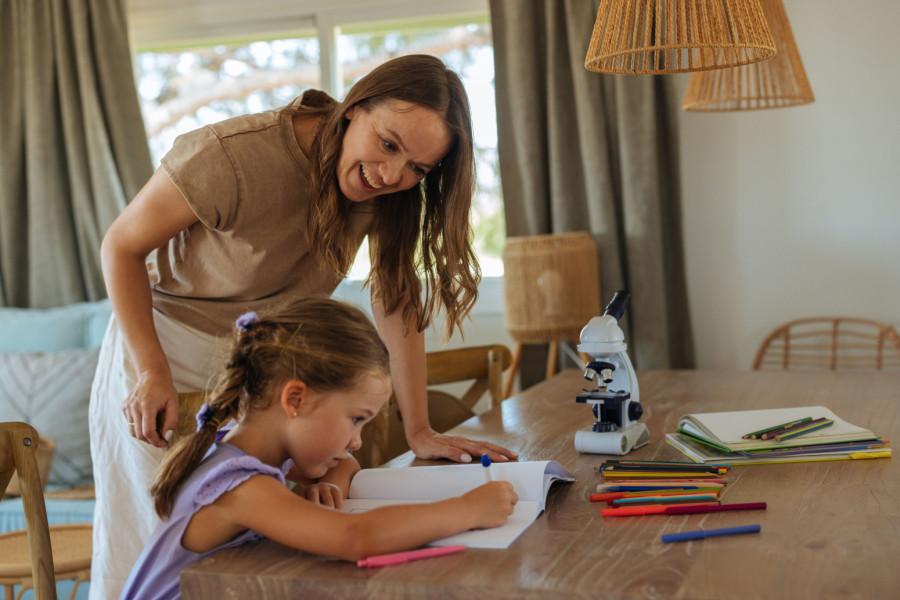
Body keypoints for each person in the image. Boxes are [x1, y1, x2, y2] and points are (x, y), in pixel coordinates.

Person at [89, 53, 517, 599]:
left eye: (418, 169)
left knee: (260, 551)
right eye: (388, 145)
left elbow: (396, 300)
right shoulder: (229, 157)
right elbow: (120, 247)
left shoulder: (389, 195)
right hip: (158, 349)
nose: (392, 176)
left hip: (255, 367)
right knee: (149, 541)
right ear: (354, 108)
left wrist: (418, 431)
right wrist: (151, 371)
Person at [119, 298, 518, 600]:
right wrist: (467, 509)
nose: (357, 438)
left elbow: (347, 463)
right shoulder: (239, 486)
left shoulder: (243, 448)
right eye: (355, 418)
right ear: (295, 400)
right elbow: (356, 537)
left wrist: (329, 481)